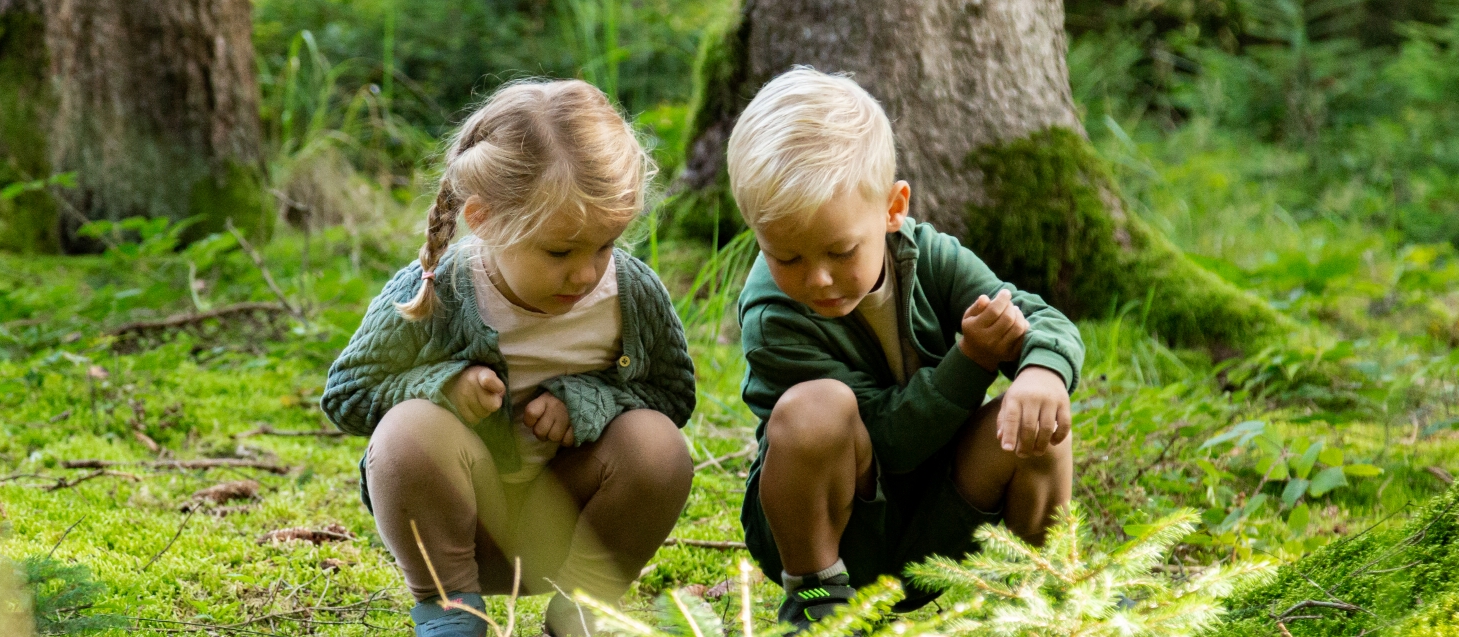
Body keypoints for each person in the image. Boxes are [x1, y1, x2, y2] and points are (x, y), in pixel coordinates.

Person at [321, 79, 696, 637]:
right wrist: (441, 385)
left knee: (659, 445)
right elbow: (347, 393)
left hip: (574, 523)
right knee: (409, 431)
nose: (586, 273)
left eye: (605, 245)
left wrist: (587, 402)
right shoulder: (437, 289)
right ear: (486, 219)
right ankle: (452, 615)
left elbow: (672, 396)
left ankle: (580, 614)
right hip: (456, 532)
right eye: (560, 250)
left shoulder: (630, 295)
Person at [726, 67, 1085, 632]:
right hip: (841, 532)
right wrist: (971, 361)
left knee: (1037, 419)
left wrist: (1041, 370)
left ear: (893, 210)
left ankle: (1039, 593)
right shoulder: (774, 316)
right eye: (787, 258)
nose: (817, 279)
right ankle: (816, 600)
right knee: (815, 409)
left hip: (942, 515)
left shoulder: (930, 258)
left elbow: (1036, 318)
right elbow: (889, 444)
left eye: (841, 251)